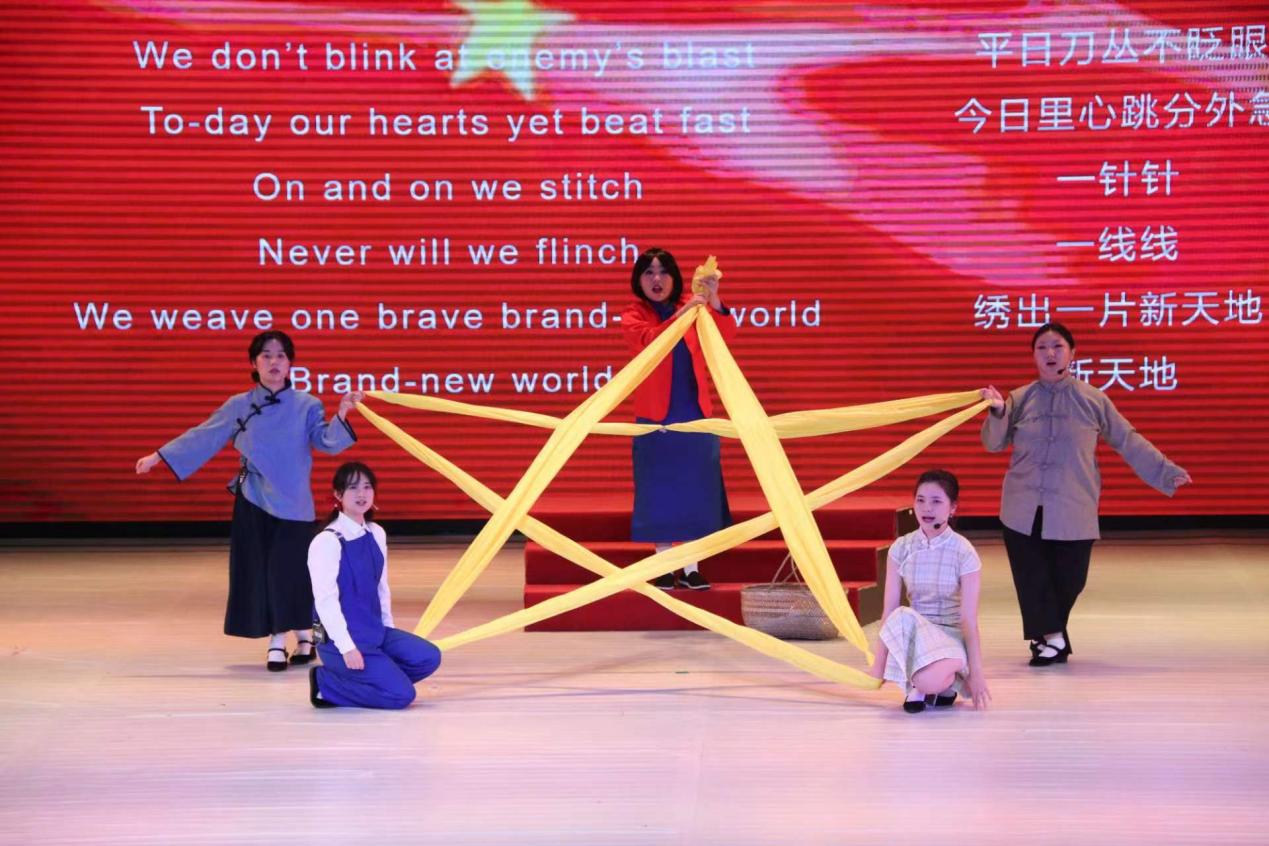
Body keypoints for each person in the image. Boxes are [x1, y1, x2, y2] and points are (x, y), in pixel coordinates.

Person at [136, 330, 359, 670]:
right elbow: (205, 434)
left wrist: (342, 414)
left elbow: (326, 441)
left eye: (281, 356)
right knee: (263, 573)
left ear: (290, 363)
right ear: (254, 363)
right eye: (266, 355)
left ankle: (304, 635)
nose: (274, 362)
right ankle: (276, 640)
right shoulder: (239, 404)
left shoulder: (308, 404)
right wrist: (158, 456)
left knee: (294, 573)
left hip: (295, 503)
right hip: (254, 498)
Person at [981, 322, 1191, 666]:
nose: (1050, 353)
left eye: (1058, 346)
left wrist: (1164, 471)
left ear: (1072, 354)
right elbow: (992, 443)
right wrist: (999, 412)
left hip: (1073, 506)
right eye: (1042, 347)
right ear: (1033, 356)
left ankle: (1047, 636)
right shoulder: (1018, 399)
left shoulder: (1093, 399)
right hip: (1022, 506)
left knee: (1071, 578)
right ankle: (1053, 639)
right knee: (1032, 577)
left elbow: (1127, 439)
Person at [621, 248, 736, 590]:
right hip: (655, 417)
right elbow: (650, 342)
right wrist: (683, 314)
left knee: (695, 492)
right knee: (659, 493)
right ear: (638, 279)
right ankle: (663, 566)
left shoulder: (694, 305)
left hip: (694, 414)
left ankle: (690, 569)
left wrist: (713, 299)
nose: (657, 279)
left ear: (675, 277)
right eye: (649, 272)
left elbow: (725, 337)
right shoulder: (633, 315)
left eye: (663, 272)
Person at [306, 462, 442, 709]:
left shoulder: (376, 532)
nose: (362, 494)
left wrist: (388, 630)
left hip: (373, 631)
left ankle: (378, 679)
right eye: (353, 487)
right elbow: (325, 602)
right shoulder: (327, 541)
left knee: (429, 657)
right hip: (338, 640)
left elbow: (381, 588)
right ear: (338, 495)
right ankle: (326, 684)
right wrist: (347, 647)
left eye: (367, 487)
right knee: (401, 696)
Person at [869, 470, 990, 713]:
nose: (927, 508)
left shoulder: (964, 552)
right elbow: (889, 609)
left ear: (952, 507)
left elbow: (968, 618)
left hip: (950, 636)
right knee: (900, 615)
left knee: (926, 681)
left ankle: (930, 684)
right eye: (921, 500)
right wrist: (878, 667)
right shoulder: (901, 548)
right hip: (917, 634)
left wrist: (977, 673)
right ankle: (943, 685)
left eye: (936, 501)